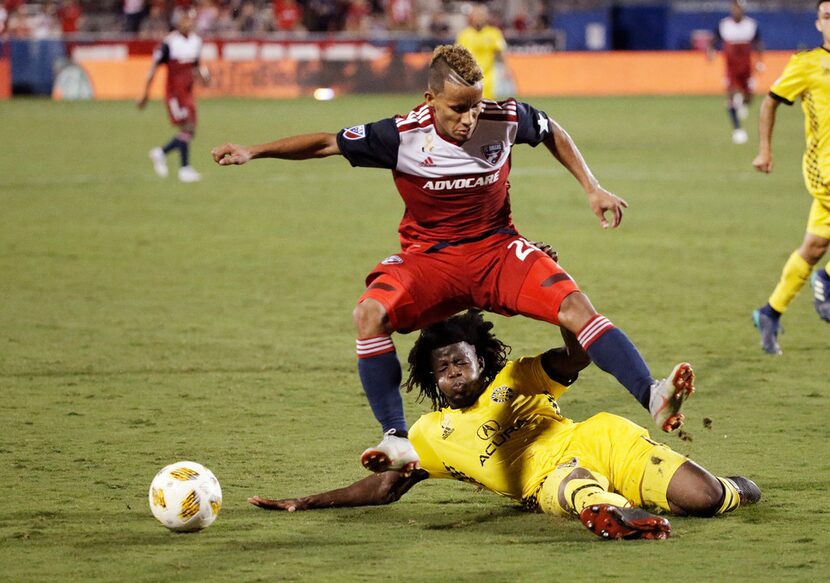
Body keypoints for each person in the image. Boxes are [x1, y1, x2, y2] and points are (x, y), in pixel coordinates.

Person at [211, 44, 693, 475]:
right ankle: (397, 439)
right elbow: (325, 142)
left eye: (475, 106)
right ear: (430, 101)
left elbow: (551, 129)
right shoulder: (399, 136)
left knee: (577, 309)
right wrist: (253, 151)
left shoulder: (503, 118)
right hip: (429, 262)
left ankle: (652, 394)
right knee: (369, 314)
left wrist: (592, 187)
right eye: (458, 109)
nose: (468, 119)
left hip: (496, 250)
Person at [249, 311, 761, 541]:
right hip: (548, 481)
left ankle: (728, 488)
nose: (452, 371)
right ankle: (613, 516)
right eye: (442, 367)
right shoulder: (427, 433)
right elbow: (386, 486)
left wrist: (558, 303)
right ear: (431, 379)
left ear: (482, 360)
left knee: (706, 501)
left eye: (461, 361)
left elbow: (577, 353)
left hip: (601, 439)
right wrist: (306, 501)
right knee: (572, 487)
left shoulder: (516, 379)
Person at [751, 0, 830, 355]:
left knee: (814, 247)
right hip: (824, 169)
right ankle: (826, 281)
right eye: (828, 17)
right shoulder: (807, 64)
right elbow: (770, 101)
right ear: (818, 23)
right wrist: (765, 149)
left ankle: (770, 312)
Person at [137, 8, 208, 183]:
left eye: (190, 20)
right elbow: (154, 68)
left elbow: (196, 64)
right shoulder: (169, 43)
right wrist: (145, 94)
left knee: (190, 130)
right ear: (177, 23)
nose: (187, 23)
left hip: (188, 92)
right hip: (174, 93)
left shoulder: (196, 41)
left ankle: (161, 153)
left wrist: (204, 77)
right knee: (187, 128)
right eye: (184, 20)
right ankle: (184, 169)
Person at [707, 0, 764, 145]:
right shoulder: (724, 25)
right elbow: (713, 41)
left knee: (749, 99)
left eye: (738, 8)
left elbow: (758, 43)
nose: (735, 11)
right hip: (731, 69)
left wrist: (759, 61)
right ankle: (737, 130)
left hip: (746, 69)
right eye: (733, 8)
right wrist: (710, 52)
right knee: (730, 96)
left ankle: (742, 102)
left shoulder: (750, 25)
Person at [456, 5, 506, 100]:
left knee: (489, 105)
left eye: (481, 15)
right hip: (469, 77)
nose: (479, 18)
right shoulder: (464, 35)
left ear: (486, 17)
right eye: (477, 15)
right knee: (471, 105)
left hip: (488, 76)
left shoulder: (494, 33)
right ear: (472, 18)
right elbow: (457, 55)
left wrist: (506, 69)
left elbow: (501, 52)